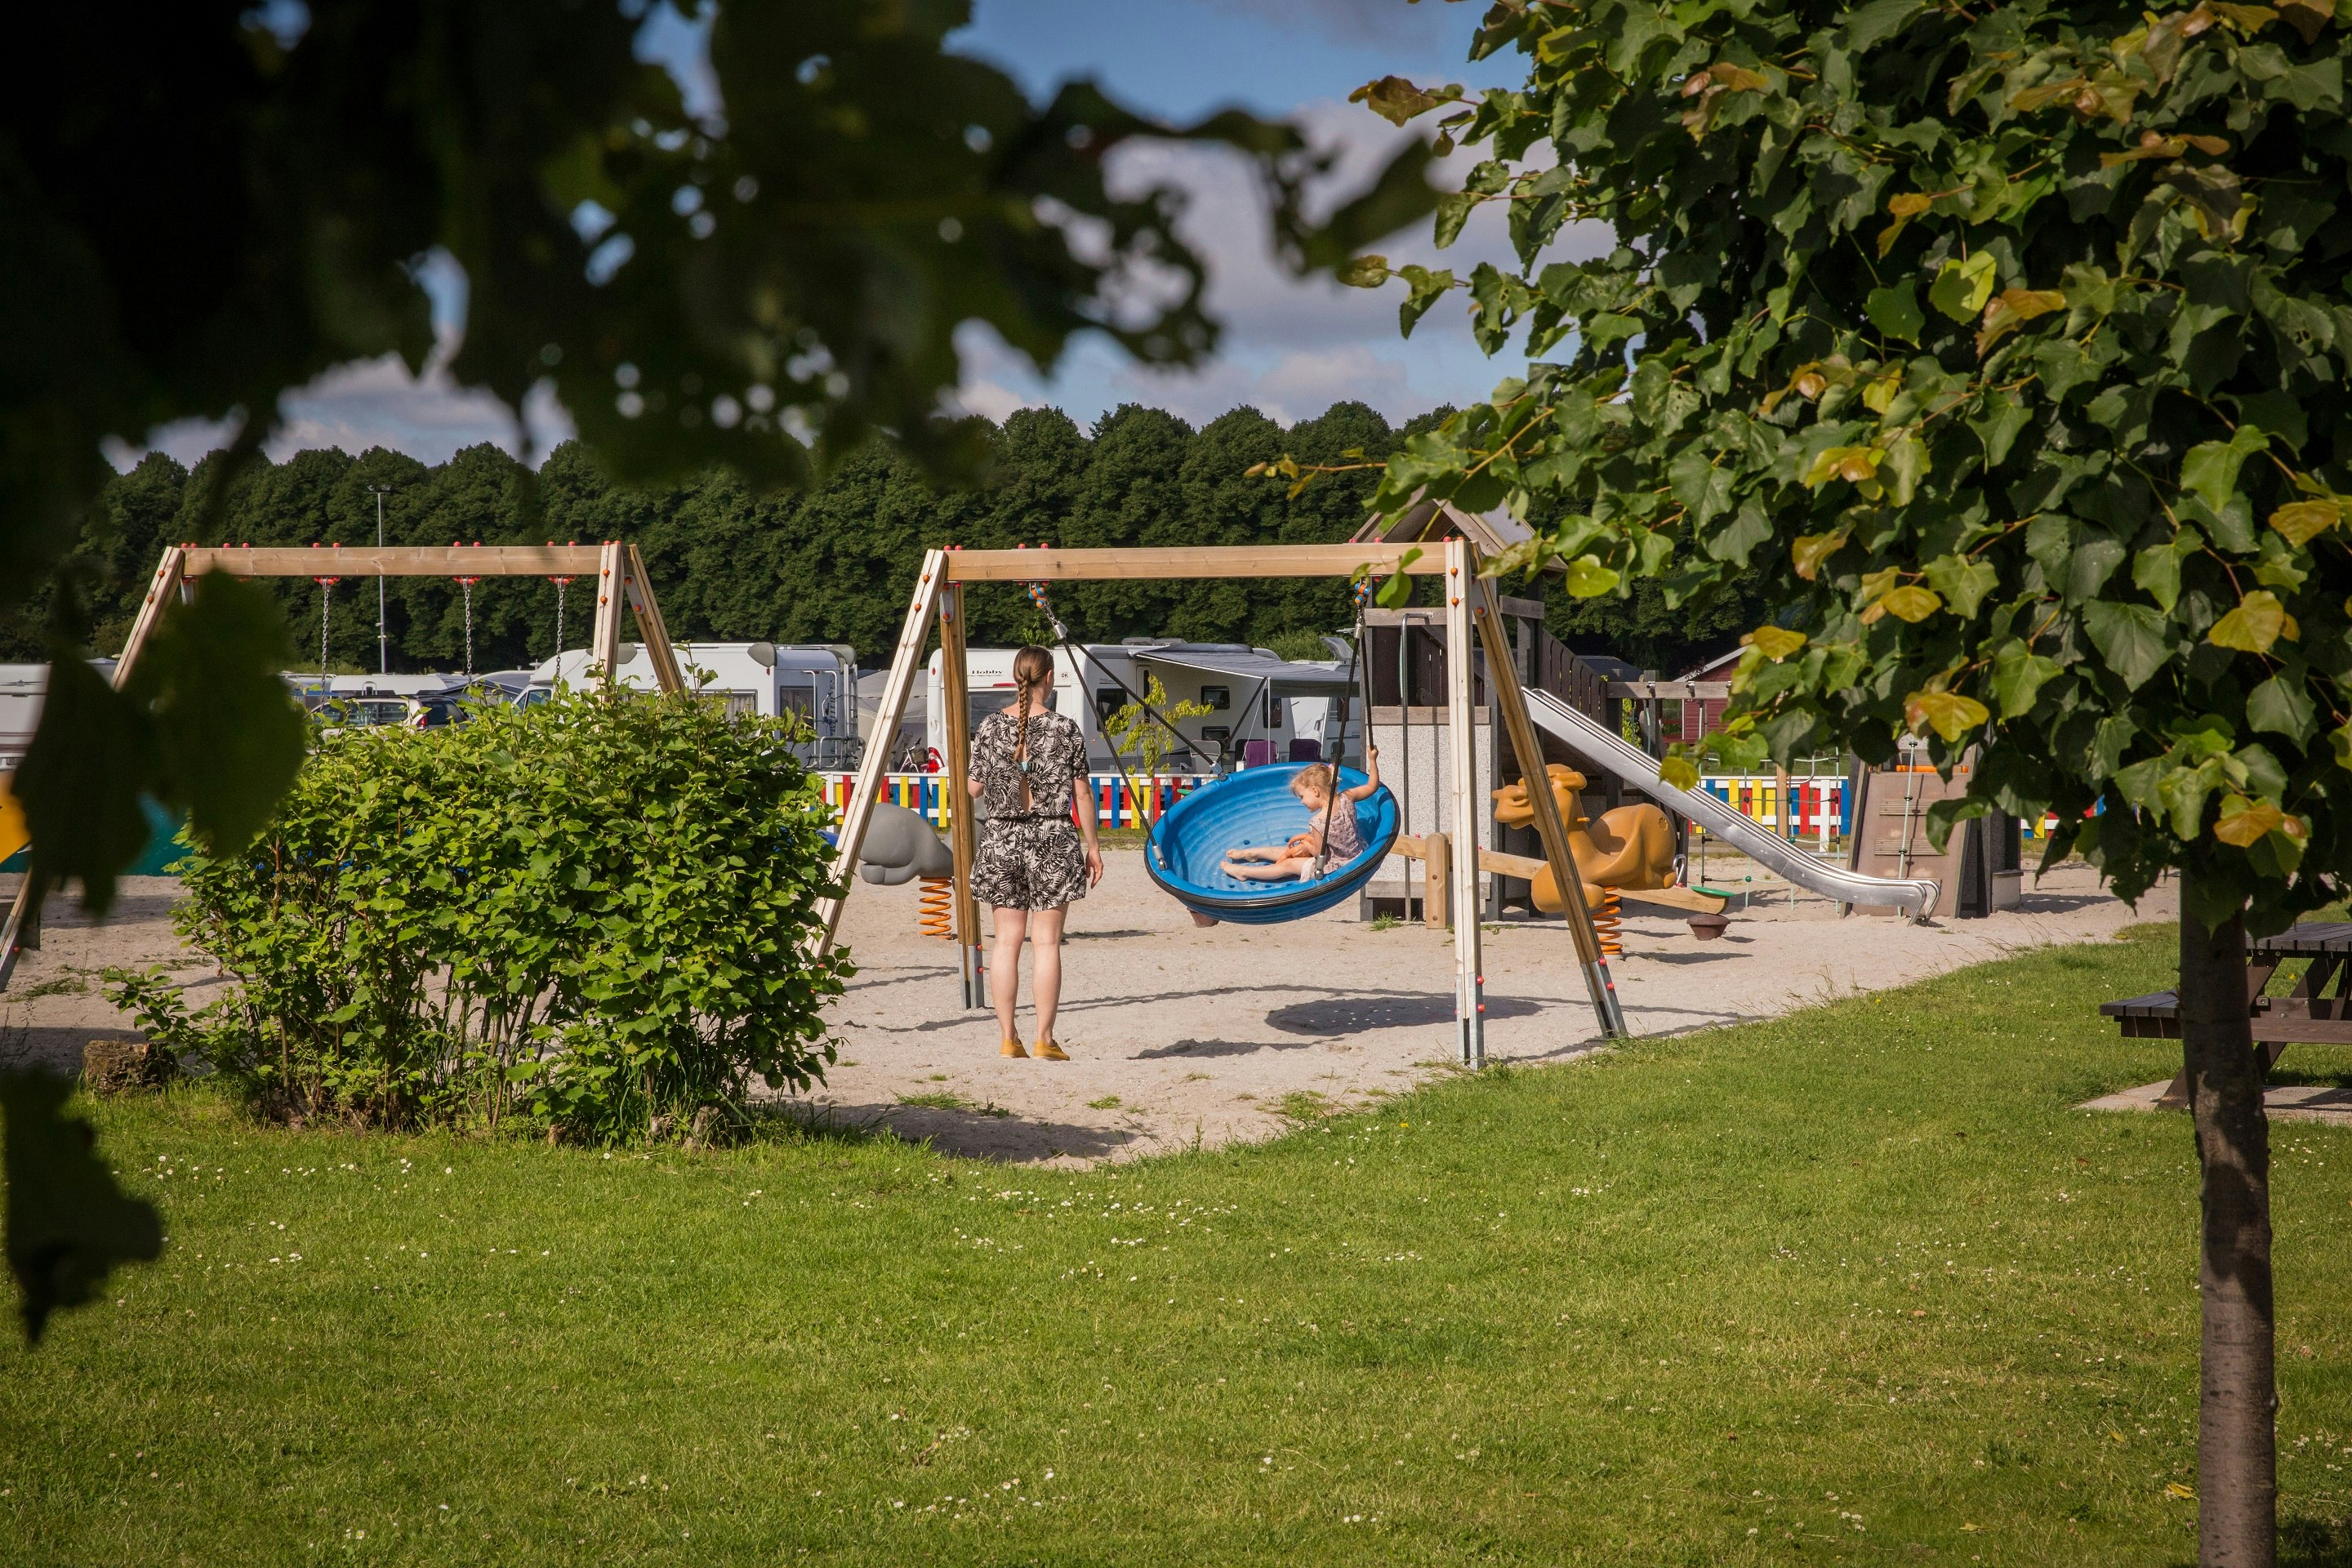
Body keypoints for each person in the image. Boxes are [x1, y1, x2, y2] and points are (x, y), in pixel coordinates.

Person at [966, 645, 1103, 1059]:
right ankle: (1045, 1038)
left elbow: (972, 790)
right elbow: (1082, 794)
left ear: (1015, 679)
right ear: (1049, 678)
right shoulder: (1065, 729)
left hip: (1002, 837)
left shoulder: (989, 727)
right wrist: (1093, 847)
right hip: (1053, 837)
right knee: (1046, 944)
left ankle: (1009, 1038)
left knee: (1006, 942)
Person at [1219, 747, 1382, 884]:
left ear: (1315, 791)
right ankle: (1253, 853)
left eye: (1302, 797)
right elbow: (1372, 786)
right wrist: (1373, 759)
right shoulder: (1348, 796)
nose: (1302, 802)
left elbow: (1319, 855)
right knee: (1296, 850)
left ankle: (1243, 872)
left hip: (1337, 866)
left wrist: (1306, 845)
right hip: (1358, 853)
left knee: (1288, 864)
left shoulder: (1318, 821)